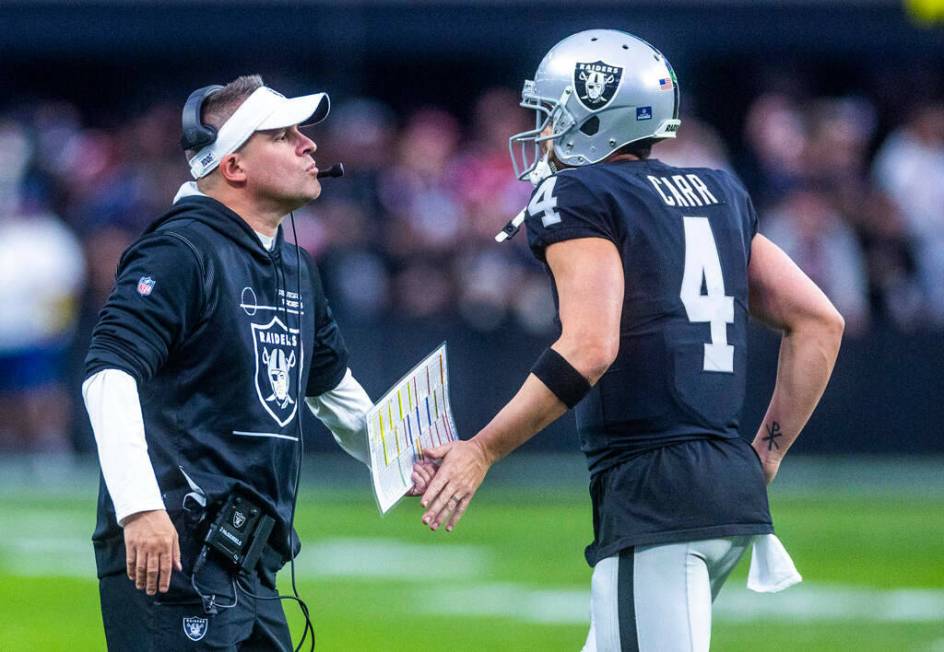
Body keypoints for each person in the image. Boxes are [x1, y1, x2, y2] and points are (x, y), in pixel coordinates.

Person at [418, 31, 844, 651]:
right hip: (724, 488)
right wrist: (766, 453)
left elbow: (590, 347)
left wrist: (482, 449)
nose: (541, 134)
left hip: (657, 496)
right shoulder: (718, 191)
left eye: (553, 116)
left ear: (593, 119)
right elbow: (820, 321)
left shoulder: (579, 192)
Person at [83, 75, 431, 650]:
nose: (309, 145)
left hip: (250, 556)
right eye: (283, 135)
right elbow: (108, 371)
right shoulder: (180, 250)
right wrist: (140, 510)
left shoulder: (294, 265)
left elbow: (331, 389)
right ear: (235, 166)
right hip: (172, 550)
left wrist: (405, 458)